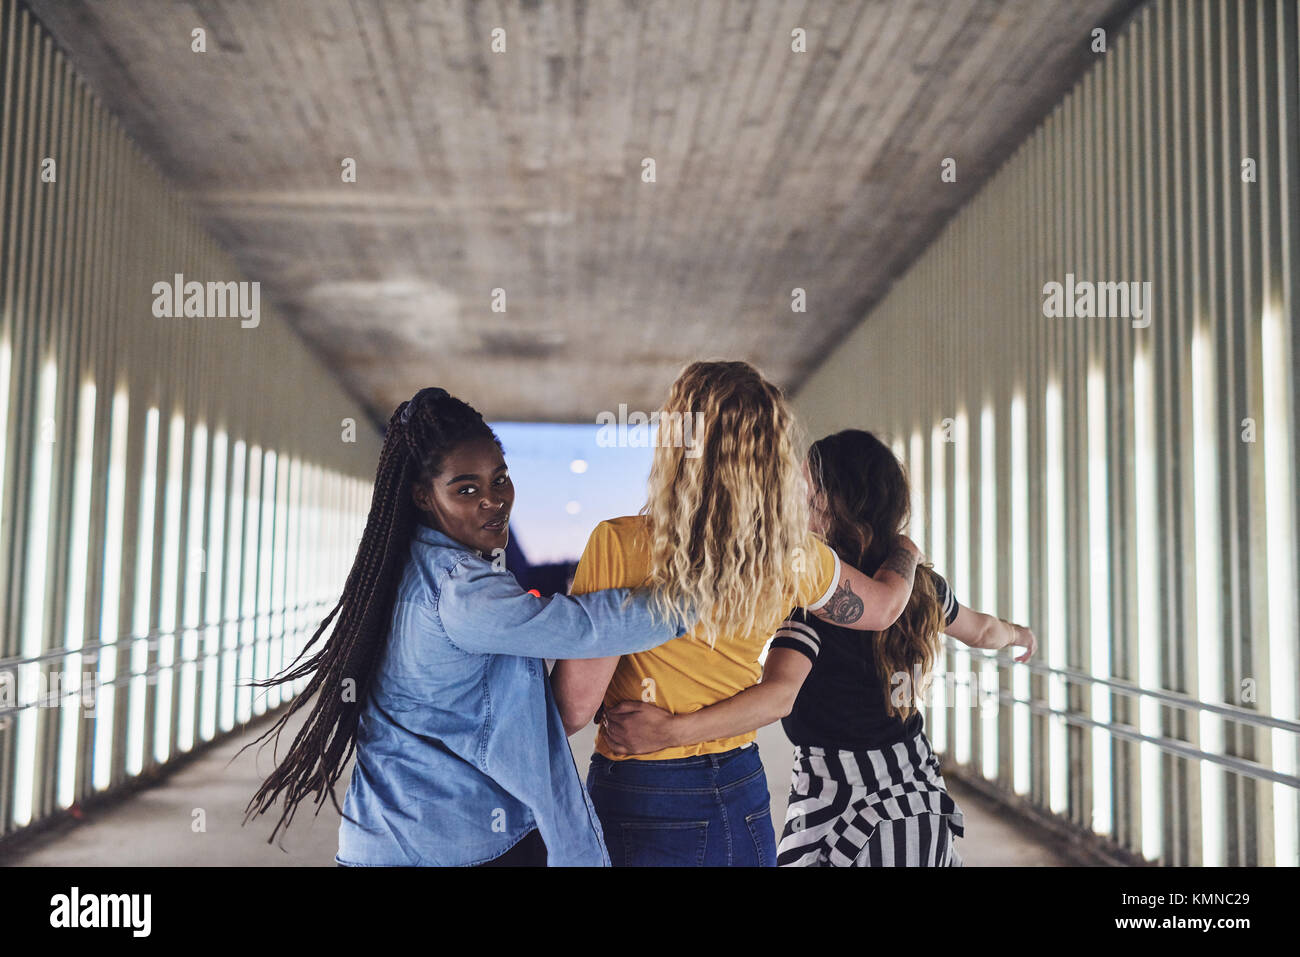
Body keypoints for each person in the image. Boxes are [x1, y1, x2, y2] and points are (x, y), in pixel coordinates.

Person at [241, 387, 693, 866]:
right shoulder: (460, 590)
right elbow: (582, 628)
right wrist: (698, 598)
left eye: (500, 480)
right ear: (422, 495)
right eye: (467, 489)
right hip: (461, 846)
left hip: (375, 845)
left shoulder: (400, 567)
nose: (493, 501)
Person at [603, 428, 1037, 867]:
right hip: (911, 785)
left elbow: (779, 694)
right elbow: (983, 631)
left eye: (807, 489)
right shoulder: (921, 587)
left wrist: (671, 731)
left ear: (830, 503)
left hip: (842, 795)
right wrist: (1020, 634)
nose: (797, 498)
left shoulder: (818, 599)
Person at [551, 363, 922, 867]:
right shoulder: (795, 557)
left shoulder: (620, 545)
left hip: (645, 789)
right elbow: (882, 608)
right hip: (741, 785)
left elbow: (572, 710)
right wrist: (906, 548)